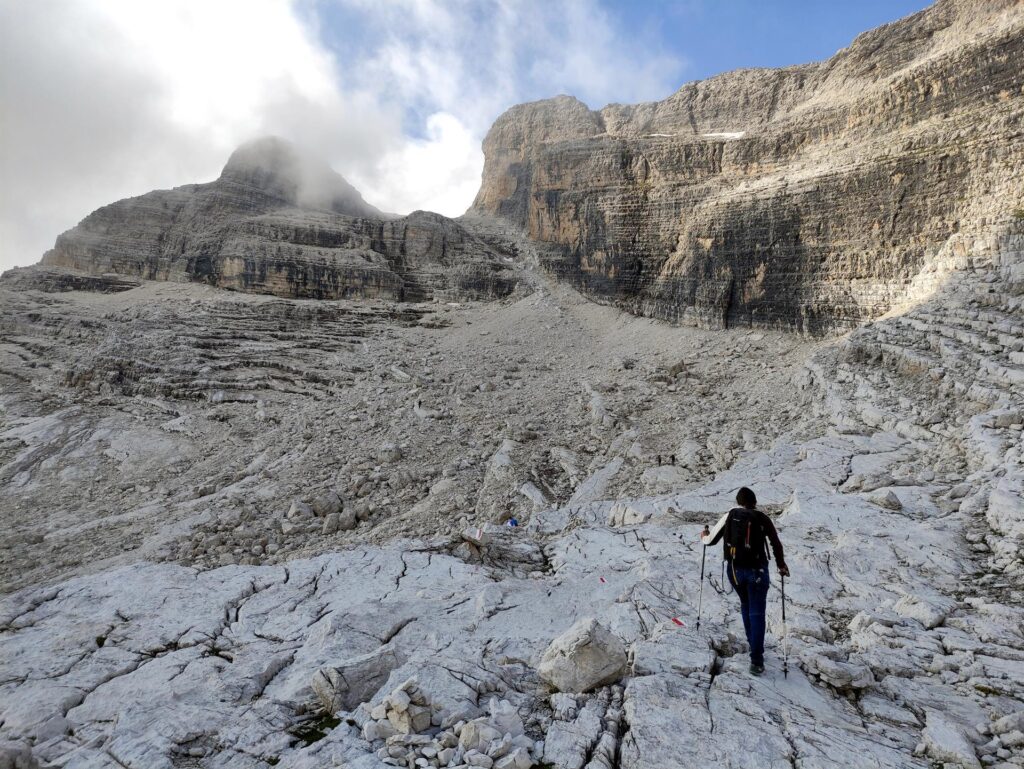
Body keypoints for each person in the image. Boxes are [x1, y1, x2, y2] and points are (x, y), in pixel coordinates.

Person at [701, 487, 789, 675]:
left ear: (738, 501)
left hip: (735, 571)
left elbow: (709, 541)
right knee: (757, 612)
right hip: (757, 571)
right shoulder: (762, 518)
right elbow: (775, 543)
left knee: (745, 605)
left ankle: (752, 644)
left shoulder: (730, 515)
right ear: (755, 501)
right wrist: (781, 565)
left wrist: (703, 534)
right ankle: (756, 660)